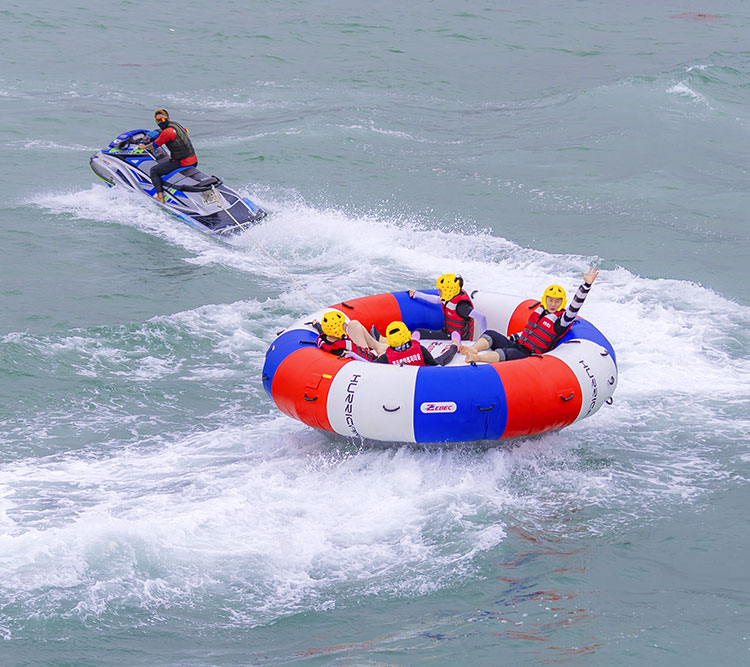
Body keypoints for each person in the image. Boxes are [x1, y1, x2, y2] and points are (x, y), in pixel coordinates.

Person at [462, 268, 599, 363]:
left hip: (528, 355)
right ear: (545, 300)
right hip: (518, 344)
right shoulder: (539, 312)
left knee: (506, 353)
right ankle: (473, 349)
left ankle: (477, 358)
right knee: (492, 334)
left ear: (561, 303)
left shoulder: (561, 320)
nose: (553, 304)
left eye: (557, 301)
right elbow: (529, 331)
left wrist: (586, 285)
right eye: (550, 300)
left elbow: (575, 306)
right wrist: (513, 337)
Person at [137, 109, 197, 203]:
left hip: (182, 163)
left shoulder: (167, 132)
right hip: (194, 160)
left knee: (154, 171)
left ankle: (160, 197)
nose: (160, 122)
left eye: (162, 119)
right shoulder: (177, 125)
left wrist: (143, 147)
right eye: (157, 121)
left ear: (167, 118)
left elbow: (153, 146)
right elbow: (185, 131)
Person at [407, 273, 487, 342]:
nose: (438, 292)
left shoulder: (461, 306)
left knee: (419, 332)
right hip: (448, 333)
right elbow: (436, 300)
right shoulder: (450, 298)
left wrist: (484, 337)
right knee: (418, 332)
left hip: (460, 338)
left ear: (449, 290)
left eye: (440, 290)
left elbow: (481, 317)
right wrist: (416, 294)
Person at [374, 321, 459, 366]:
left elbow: (371, 366)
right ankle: (455, 346)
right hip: (419, 378)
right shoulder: (420, 349)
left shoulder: (385, 358)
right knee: (440, 360)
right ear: (407, 334)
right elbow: (434, 366)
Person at [312, 311, 387, 361]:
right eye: (343, 324)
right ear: (337, 329)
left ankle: (379, 345)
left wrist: (317, 325)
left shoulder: (322, 340)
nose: (346, 324)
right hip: (370, 359)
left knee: (353, 324)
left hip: (362, 352)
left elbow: (323, 333)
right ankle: (382, 345)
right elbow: (362, 359)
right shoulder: (344, 348)